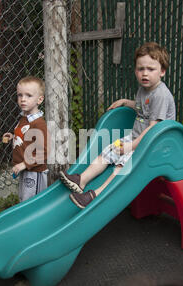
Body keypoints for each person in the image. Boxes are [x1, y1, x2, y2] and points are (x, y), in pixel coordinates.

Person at [60, 42, 176, 208]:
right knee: (108, 151)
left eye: (151, 69)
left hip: (152, 145)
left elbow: (153, 128)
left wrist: (131, 146)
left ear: (162, 72)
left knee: (123, 166)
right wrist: (125, 102)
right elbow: (141, 106)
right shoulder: (144, 89)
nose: (145, 73)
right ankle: (81, 180)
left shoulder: (161, 95)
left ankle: (97, 194)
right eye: (140, 69)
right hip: (137, 138)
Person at [2, 76, 49, 202]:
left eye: (28, 95)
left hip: (35, 172)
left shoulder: (39, 124)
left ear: (39, 99)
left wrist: (24, 164)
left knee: (32, 202)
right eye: (20, 95)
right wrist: (13, 136)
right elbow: (27, 137)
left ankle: (38, 221)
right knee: (24, 198)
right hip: (25, 169)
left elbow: (43, 153)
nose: (23, 99)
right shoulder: (25, 118)